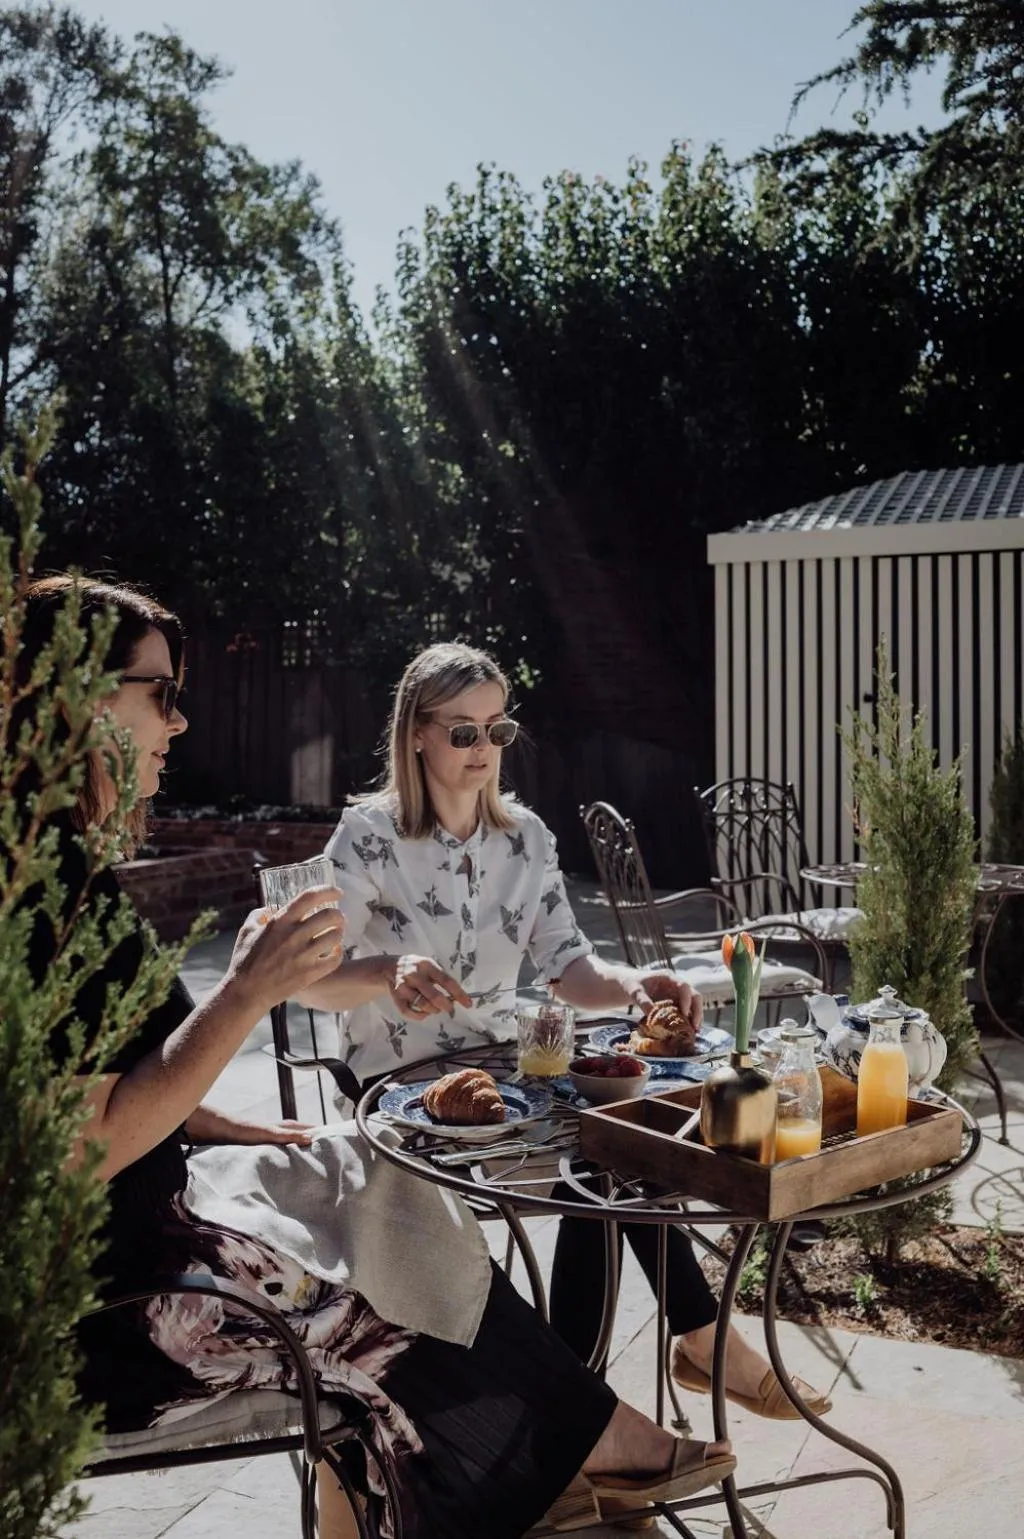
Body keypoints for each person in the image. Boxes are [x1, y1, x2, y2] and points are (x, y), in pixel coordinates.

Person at [8, 577, 737, 1539]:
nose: (180, 724)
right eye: (162, 693)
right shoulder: (38, 890)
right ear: (74, 697)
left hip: (158, 1218)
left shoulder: (62, 867)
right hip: (112, 1302)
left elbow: (87, 1092)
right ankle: (577, 1445)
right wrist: (252, 990)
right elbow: (80, 1151)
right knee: (390, 1285)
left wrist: (226, 1118)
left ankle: (568, 1441)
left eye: (496, 729)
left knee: (389, 1193)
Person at [306, 642, 831, 1423]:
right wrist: (385, 970)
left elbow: (569, 968)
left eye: (497, 730)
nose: (484, 750)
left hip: (505, 1076)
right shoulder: (368, 837)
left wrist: (635, 985)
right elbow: (313, 976)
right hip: (394, 1092)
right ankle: (675, 1356)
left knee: (611, 1153)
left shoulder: (527, 839)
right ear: (415, 732)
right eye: (463, 732)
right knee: (603, 1165)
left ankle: (589, 1403)